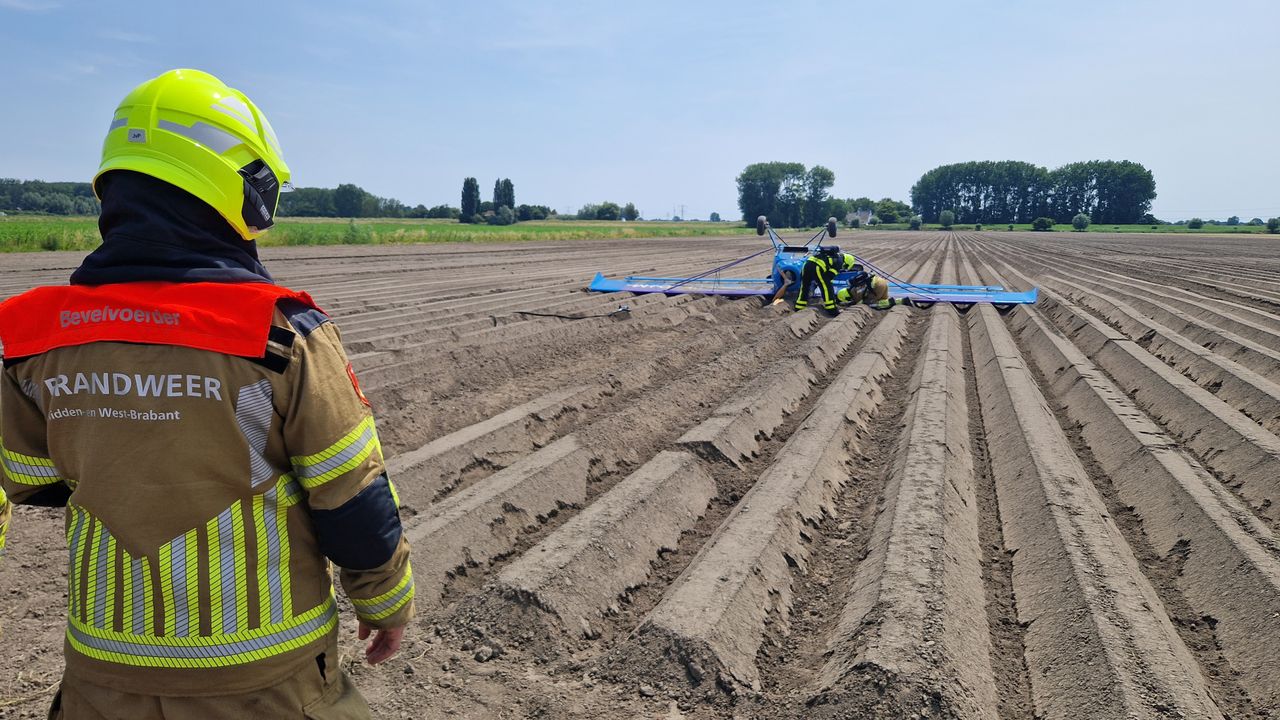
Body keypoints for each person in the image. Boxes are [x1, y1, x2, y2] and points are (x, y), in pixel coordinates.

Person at [0, 69, 413, 719]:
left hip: (102, 678)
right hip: (265, 679)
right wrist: (387, 603)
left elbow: (34, 481)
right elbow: (351, 497)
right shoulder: (281, 334)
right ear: (241, 191)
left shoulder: (33, 335)